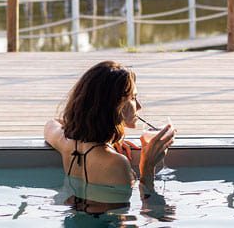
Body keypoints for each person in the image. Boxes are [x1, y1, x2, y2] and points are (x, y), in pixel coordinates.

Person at [44, 60, 176, 214]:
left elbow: (50, 124)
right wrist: (147, 167)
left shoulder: (67, 143)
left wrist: (112, 141)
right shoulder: (116, 164)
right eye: (133, 98)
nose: (139, 106)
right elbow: (147, 210)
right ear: (116, 106)